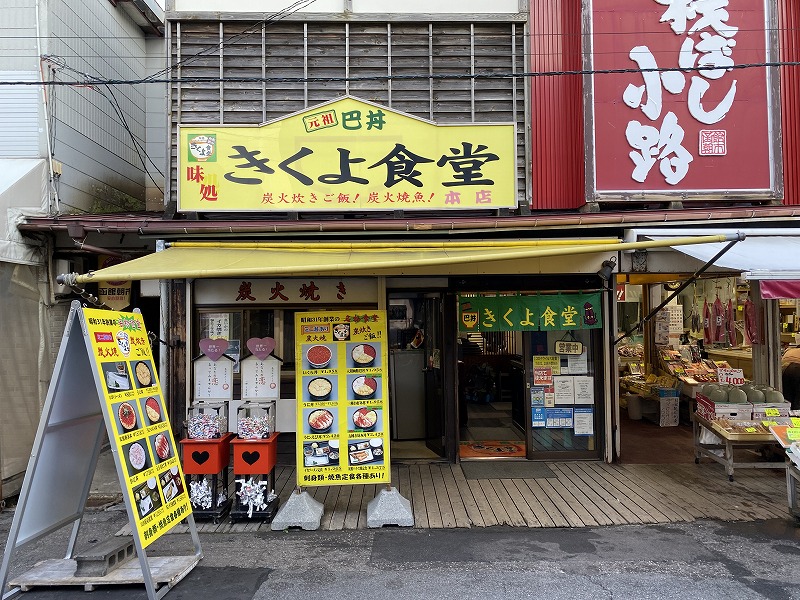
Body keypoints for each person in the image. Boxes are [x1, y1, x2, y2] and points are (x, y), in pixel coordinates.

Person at [781, 345, 800, 410]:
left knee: (787, 396)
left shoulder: (789, 351)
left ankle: (788, 413)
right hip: (797, 371)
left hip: (785, 370)